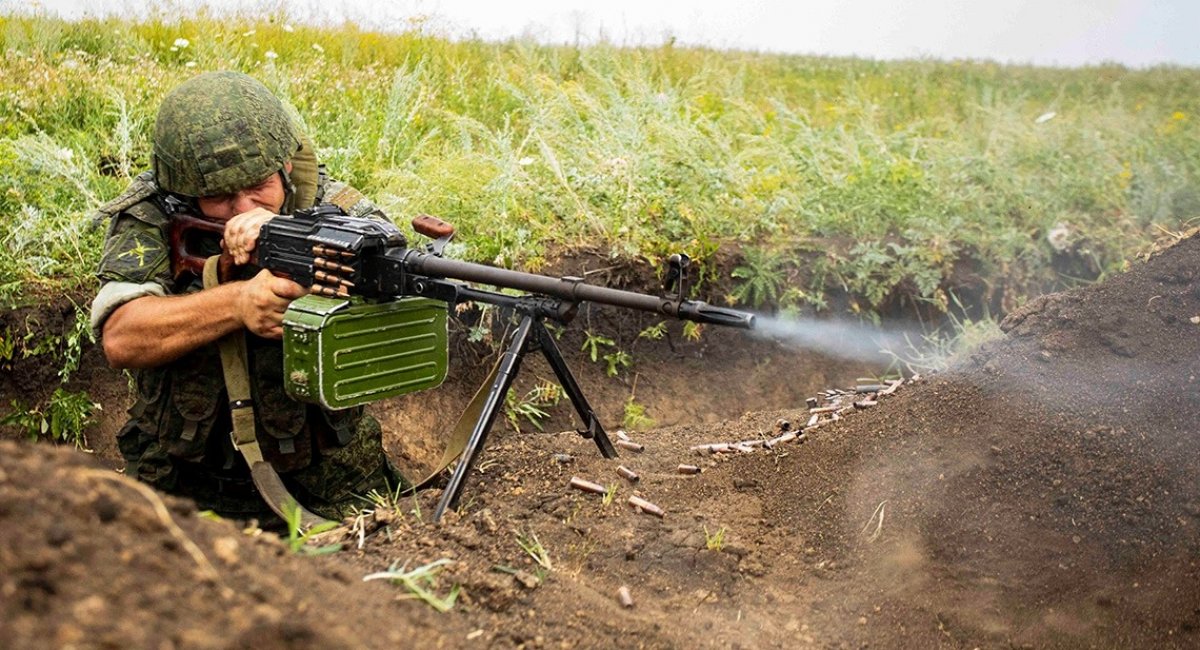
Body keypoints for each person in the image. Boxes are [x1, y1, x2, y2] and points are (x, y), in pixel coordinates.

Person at [90, 71, 405, 521]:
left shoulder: (335, 209)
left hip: (330, 477)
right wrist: (236, 303)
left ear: (286, 167)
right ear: (184, 190)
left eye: (259, 185)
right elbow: (121, 338)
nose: (244, 208)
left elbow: (393, 261)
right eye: (218, 196)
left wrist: (304, 265)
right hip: (181, 478)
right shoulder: (154, 213)